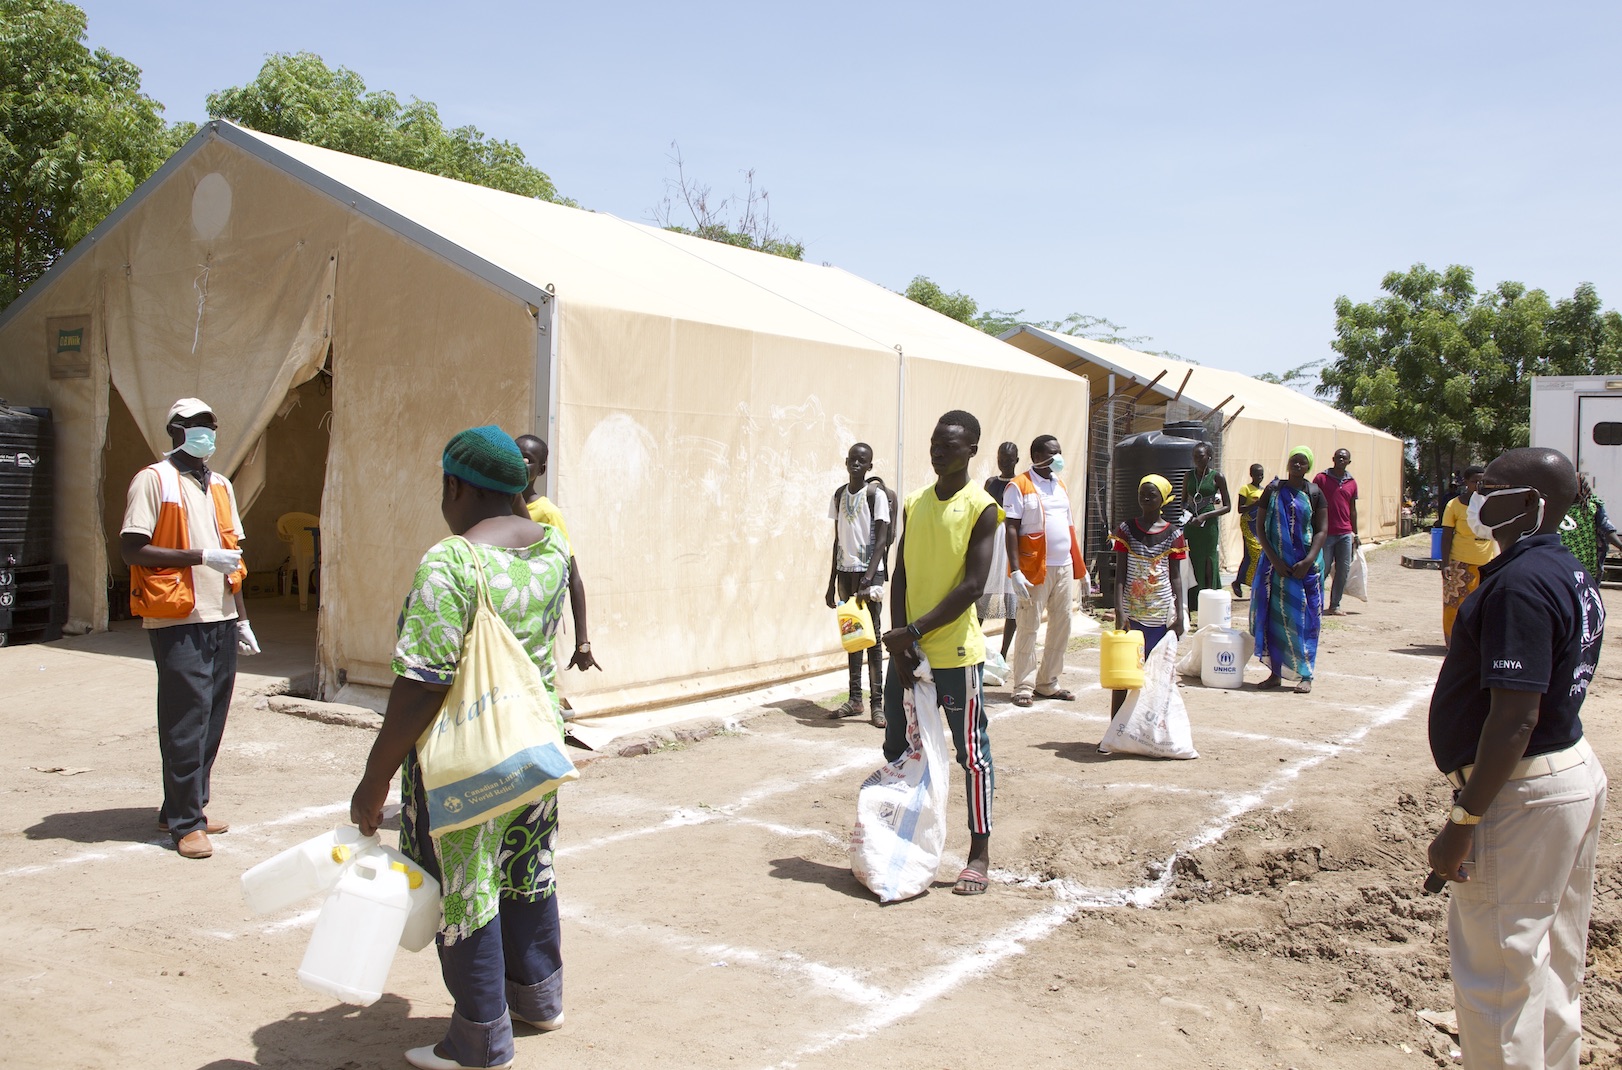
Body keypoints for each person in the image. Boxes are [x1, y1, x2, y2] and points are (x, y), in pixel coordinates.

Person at [352, 426, 572, 1070]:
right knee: (527, 864)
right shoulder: (552, 549)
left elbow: (422, 682)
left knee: (467, 884)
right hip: (532, 748)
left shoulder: (452, 561)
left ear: (457, 485)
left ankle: (479, 1037)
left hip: (466, 762)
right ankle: (538, 997)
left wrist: (374, 780)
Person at [1425, 447, 1607, 1069]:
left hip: (1523, 794)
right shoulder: (1566, 568)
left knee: (1498, 983)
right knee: (1552, 964)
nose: (1479, 495)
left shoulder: (1522, 586)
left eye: (1494, 488)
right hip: (1566, 775)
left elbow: (1515, 717)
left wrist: (1465, 820)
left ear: (1530, 504)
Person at [120, 398, 258, 861]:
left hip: (219, 616)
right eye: (197, 425)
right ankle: (185, 824)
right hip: (177, 617)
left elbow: (232, 555)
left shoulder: (220, 484)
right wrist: (199, 558)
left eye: (211, 426)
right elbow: (133, 549)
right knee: (186, 718)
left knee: (212, 716)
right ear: (176, 430)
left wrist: (241, 617)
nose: (207, 433)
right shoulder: (153, 480)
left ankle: (185, 806)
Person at [881, 410, 1000, 896]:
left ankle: (979, 853)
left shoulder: (983, 508)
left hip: (954, 652)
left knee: (971, 753)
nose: (938, 450)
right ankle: (901, 839)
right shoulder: (914, 502)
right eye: (934, 443)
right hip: (908, 651)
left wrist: (914, 630)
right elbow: (902, 573)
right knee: (898, 747)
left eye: (949, 444)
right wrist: (898, 638)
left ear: (972, 449)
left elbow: (972, 585)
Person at [513, 434, 600, 681]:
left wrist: (582, 642)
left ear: (540, 470)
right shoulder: (495, 505)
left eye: (527, 459)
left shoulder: (548, 514)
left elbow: (574, 577)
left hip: (532, 619)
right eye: (514, 456)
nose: (519, 463)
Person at [1003, 435, 1078, 708]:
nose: (1058, 458)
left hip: (1063, 567)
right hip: (1034, 567)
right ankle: (1023, 685)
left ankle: (1048, 681)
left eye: (1059, 452)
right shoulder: (1019, 486)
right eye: (1052, 453)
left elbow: (1067, 525)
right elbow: (1011, 528)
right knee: (1029, 624)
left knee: (1062, 624)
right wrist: (1015, 570)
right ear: (1036, 455)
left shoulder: (1060, 484)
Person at [1251, 447, 1328, 694]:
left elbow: (1321, 530)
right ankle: (1275, 673)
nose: (1297, 465)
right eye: (1294, 461)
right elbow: (1261, 528)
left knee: (1305, 621)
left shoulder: (1315, 493)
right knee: (1275, 620)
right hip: (1276, 568)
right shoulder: (1273, 491)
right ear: (1288, 463)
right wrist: (1275, 560)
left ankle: (1305, 675)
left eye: (1302, 462)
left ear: (1309, 467)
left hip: (1305, 568)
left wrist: (1308, 561)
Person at [825, 442, 890, 727]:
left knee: (872, 638)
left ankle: (878, 704)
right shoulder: (839, 495)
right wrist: (831, 582)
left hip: (869, 573)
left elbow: (882, 541)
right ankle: (855, 699)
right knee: (852, 635)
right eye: (852, 459)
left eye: (862, 461)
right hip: (845, 573)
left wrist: (867, 579)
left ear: (869, 466)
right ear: (846, 461)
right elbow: (838, 539)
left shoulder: (875, 495)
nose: (856, 464)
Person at [1110, 475, 1187, 715]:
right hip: (1132, 613)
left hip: (1161, 613)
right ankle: (1115, 728)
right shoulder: (1126, 529)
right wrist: (1120, 610)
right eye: (1142, 492)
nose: (1145, 498)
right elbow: (1120, 574)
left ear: (1162, 499)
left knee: (1156, 674)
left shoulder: (1174, 535)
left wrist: (1181, 614)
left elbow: (1176, 577)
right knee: (1123, 673)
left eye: (1151, 494)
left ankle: (1149, 729)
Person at [1439, 465, 1495, 648]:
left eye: (1482, 481)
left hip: (1487, 563)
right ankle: (1453, 645)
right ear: (1466, 482)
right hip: (1460, 562)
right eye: (1474, 481)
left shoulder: (1490, 504)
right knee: (1454, 605)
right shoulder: (1454, 505)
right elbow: (1447, 535)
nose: (1479, 484)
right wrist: (1445, 563)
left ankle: (1476, 646)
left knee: (1484, 607)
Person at [976, 441, 1021, 665]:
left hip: (1012, 546)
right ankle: (975, 645)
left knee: (1011, 600)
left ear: (1016, 460)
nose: (1004, 463)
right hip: (991, 543)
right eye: (1001, 459)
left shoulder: (1020, 484)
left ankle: (1004, 654)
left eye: (1009, 459)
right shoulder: (991, 483)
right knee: (981, 596)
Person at [1180, 441, 1230, 603]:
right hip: (1192, 523)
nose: (1197, 460)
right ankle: (1193, 597)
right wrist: (1188, 515)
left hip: (1208, 524)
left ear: (1209, 457)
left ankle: (1208, 594)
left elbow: (1227, 507)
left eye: (1200, 456)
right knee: (1193, 556)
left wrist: (1205, 517)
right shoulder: (1189, 475)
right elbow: (1183, 501)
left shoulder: (1217, 477)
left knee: (1208, 557)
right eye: (1195, 456)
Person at [1313, 448, 1359, 616]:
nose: (1341, 459)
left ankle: (1335, 605)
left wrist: (1356, 534)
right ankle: (1315, 603)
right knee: (1322, 569)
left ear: (1349, 462)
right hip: (1325, 533)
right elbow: (1312, 500)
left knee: (1343, 570)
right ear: (1333, 458)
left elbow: (1352, 510)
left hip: (1345, 533)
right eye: (1338, 457)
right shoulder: (1321, 478)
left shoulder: (1352, 483)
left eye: (1344, 458)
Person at [1557, 474, 1622, 583]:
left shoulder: (1592, 507)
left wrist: (1620, 545)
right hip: (1566, 561)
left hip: (1581, 562)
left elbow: (1607, 529)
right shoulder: (1556, 507)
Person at [1232, 463, 1266, 599]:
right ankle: (1253, 583)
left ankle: (1238, 581)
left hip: (1259, 524)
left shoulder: (1264, 490)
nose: (1260, 477)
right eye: (1257, 474)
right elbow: (1240, 509)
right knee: (1257, 551)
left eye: (1261, 474)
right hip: (1248, 523)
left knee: (1249, 555)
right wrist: (1254, 504)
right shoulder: (1245, 489)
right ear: (1251, 474)